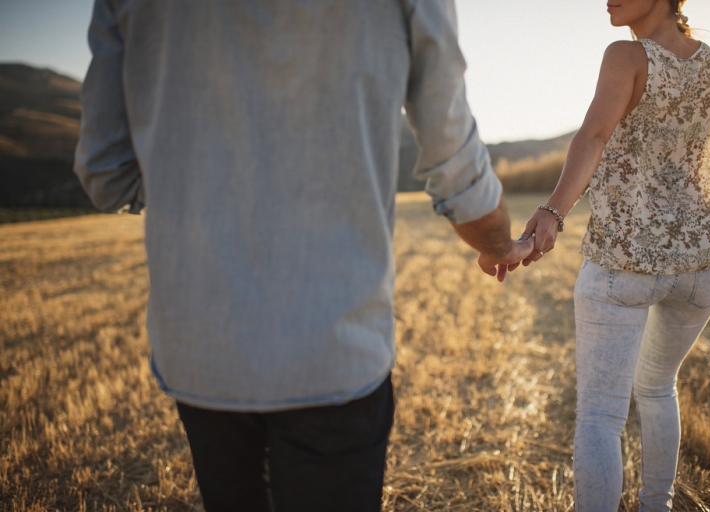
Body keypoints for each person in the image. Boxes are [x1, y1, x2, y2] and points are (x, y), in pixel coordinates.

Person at [74, 1, 533, 510]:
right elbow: (455, 161)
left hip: (202, 347)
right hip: (332, 348)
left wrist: (191, 183)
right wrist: (500, 246)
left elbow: (105, 171)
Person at [501, 1, 710, 510]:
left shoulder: (626, 56)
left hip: (624, 263)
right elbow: (700, 158)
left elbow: (593, 135)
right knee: (657, 388)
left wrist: (552, 211)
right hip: (700, 265)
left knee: (600, 416)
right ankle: (658, 504)